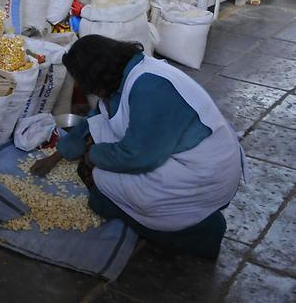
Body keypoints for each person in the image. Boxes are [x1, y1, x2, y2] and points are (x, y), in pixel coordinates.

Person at [32, 35, 245, 259]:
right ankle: (158, 210)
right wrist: (57, 156)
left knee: (102, 180)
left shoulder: (150, 87)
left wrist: (94, 155)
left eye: (89, 86)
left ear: (98, 78)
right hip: (191, 163)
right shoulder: (125, 75)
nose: (91, 93)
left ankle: (197, 231)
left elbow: (140, 157)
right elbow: (95, 120)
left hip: (206, 177)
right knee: (101, 145)